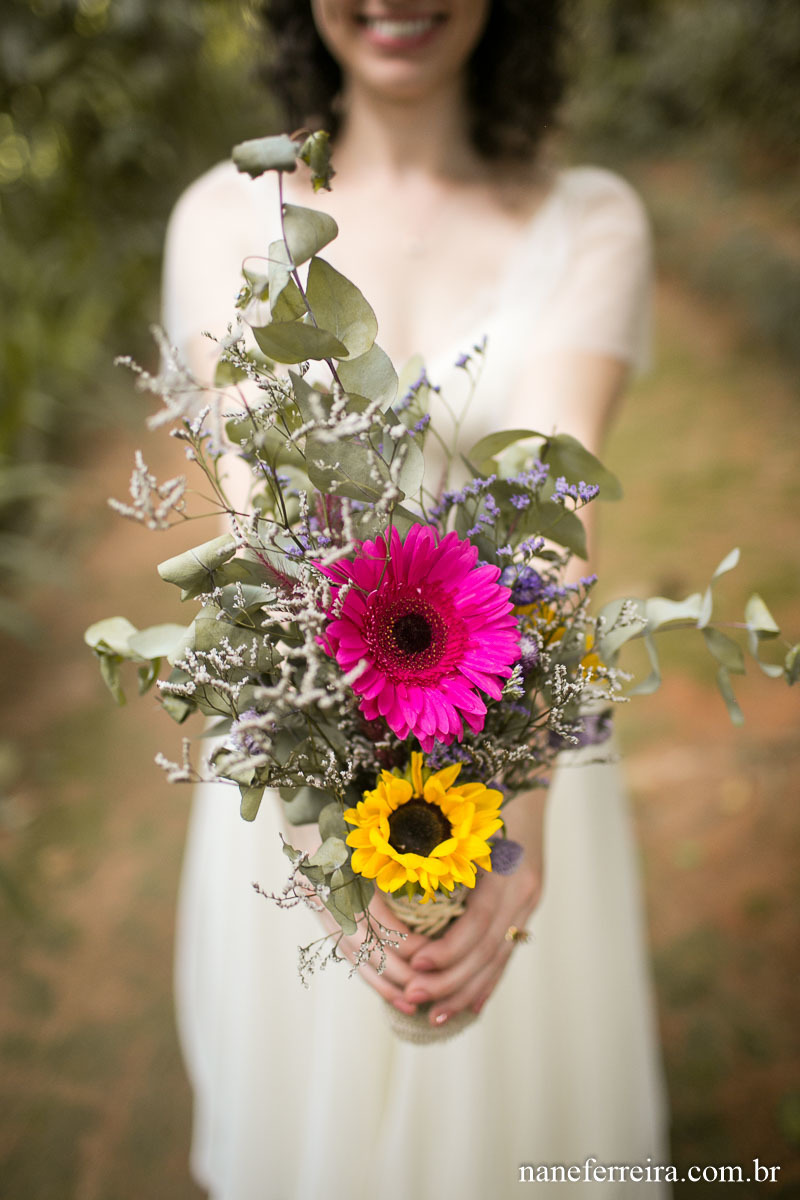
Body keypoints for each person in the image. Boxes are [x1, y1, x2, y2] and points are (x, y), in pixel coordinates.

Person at [162, 2, 670, 1196]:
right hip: (302, 740)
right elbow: (257, 529)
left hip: (504, 743)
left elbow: (550, 511)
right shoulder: (220, 219)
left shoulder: (589, 218)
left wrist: (514, 839)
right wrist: (313, 835)